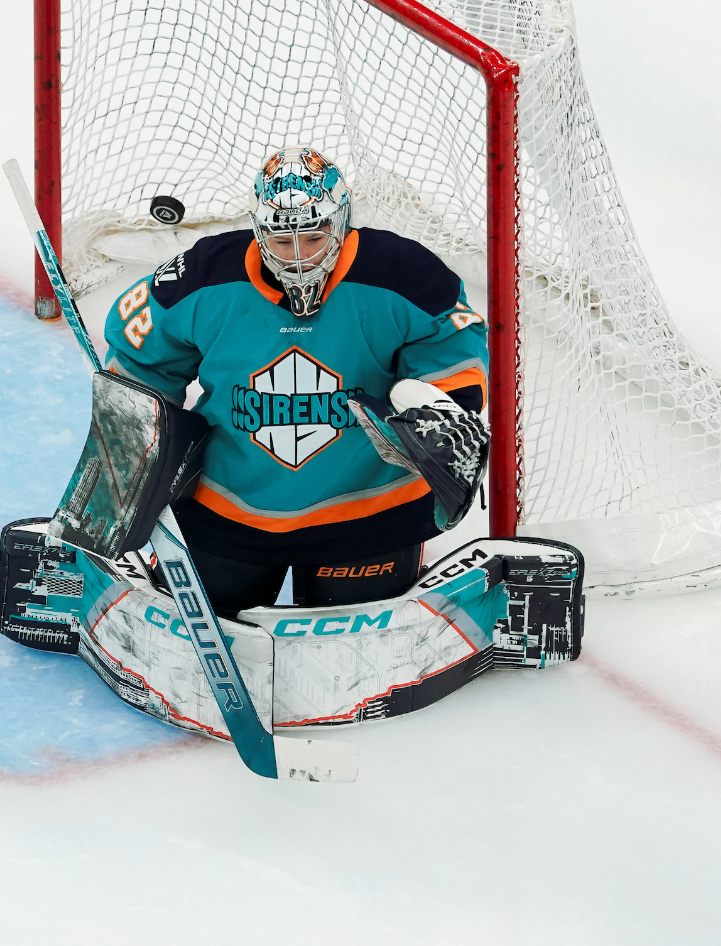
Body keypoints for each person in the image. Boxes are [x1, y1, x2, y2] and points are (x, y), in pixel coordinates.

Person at [103, 147, 490, 617]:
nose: (300, 257)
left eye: (313, 237)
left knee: (353, 649)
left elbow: (451, 342)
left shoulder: (405, 273)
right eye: (283, 241)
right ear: (259, 230)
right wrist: (136, 426)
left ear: (341, 222)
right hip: (227, 509)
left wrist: (441, 406)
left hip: (371, 512)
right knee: (195, 629)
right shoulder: (202, 276)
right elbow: (142, 356)